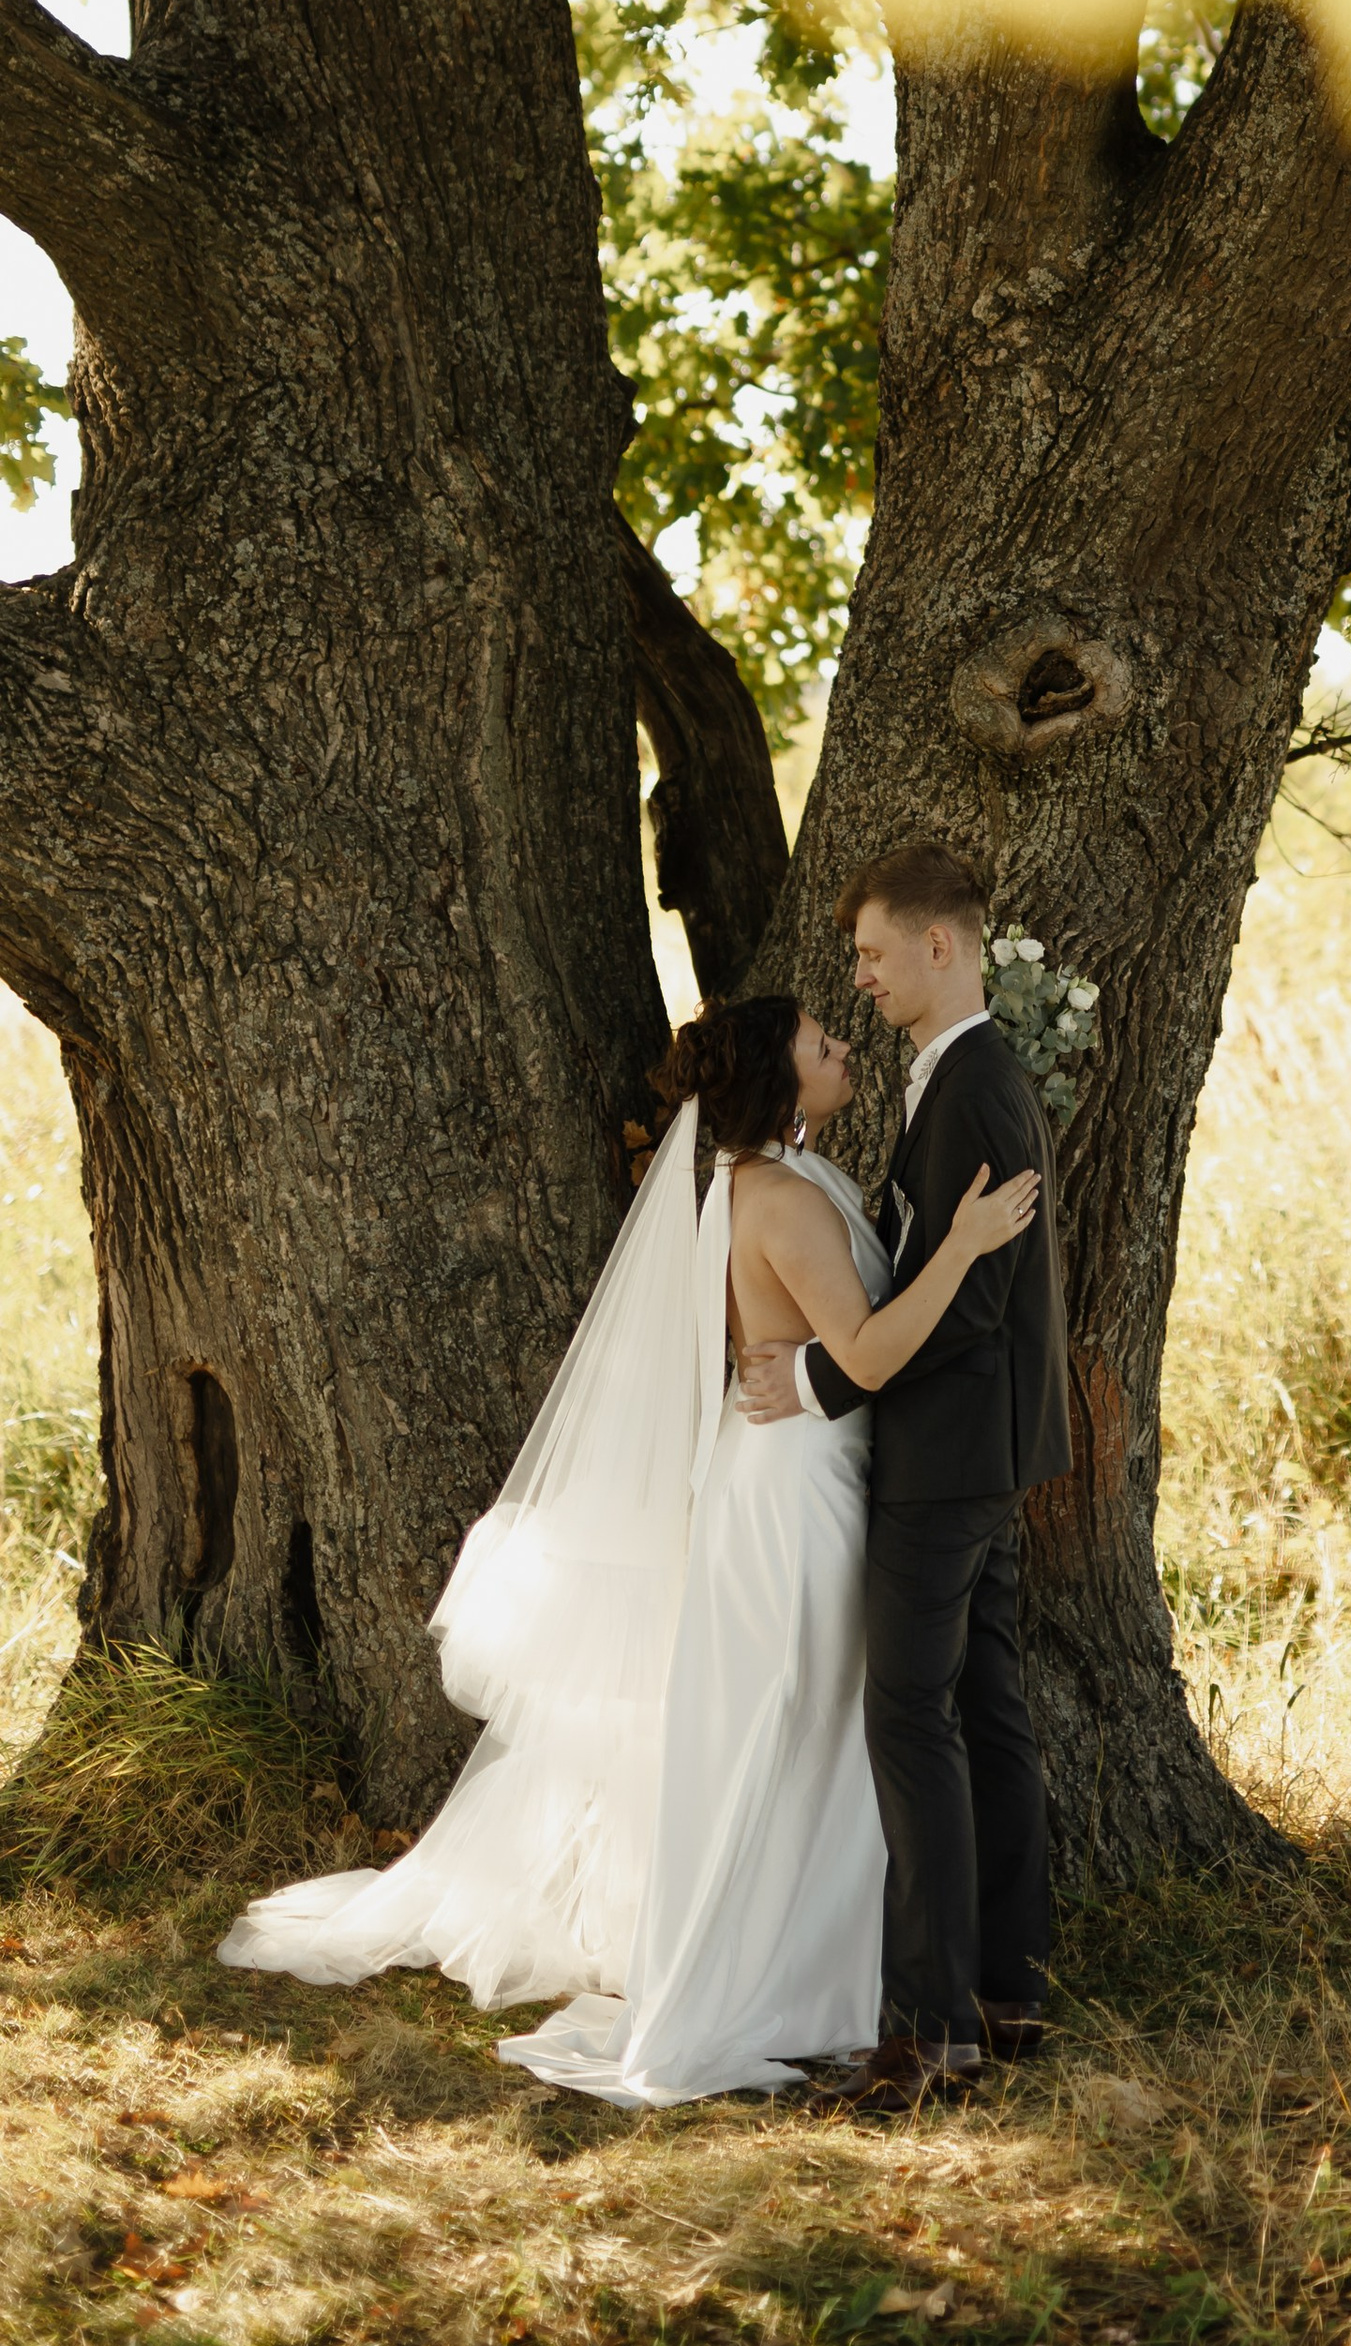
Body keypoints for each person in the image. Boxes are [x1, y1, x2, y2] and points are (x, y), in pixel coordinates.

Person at [217, 995, 1038, 2110]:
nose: (842, 1045)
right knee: (797, 1725)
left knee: (817, 1728)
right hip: (797, 1493)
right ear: (779, 1082)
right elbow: (869, 1356)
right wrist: (964, 1248)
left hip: (808, 1471)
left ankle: (829, 1971)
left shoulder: (784, 1177)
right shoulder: (780, 1198)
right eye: (819, 1044)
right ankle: (786, 1982)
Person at [737, 838, 1070, 2114]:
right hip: (981, 1448)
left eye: (876, 953)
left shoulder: (976, 1087)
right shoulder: (958, 1076)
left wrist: (823, 1381)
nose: (863, 977)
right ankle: (1007, 1990)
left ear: (941, 945)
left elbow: (971, 1305)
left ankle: (932, 2032)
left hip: (945, 1459)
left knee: (910, 1723)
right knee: (984, 1711)